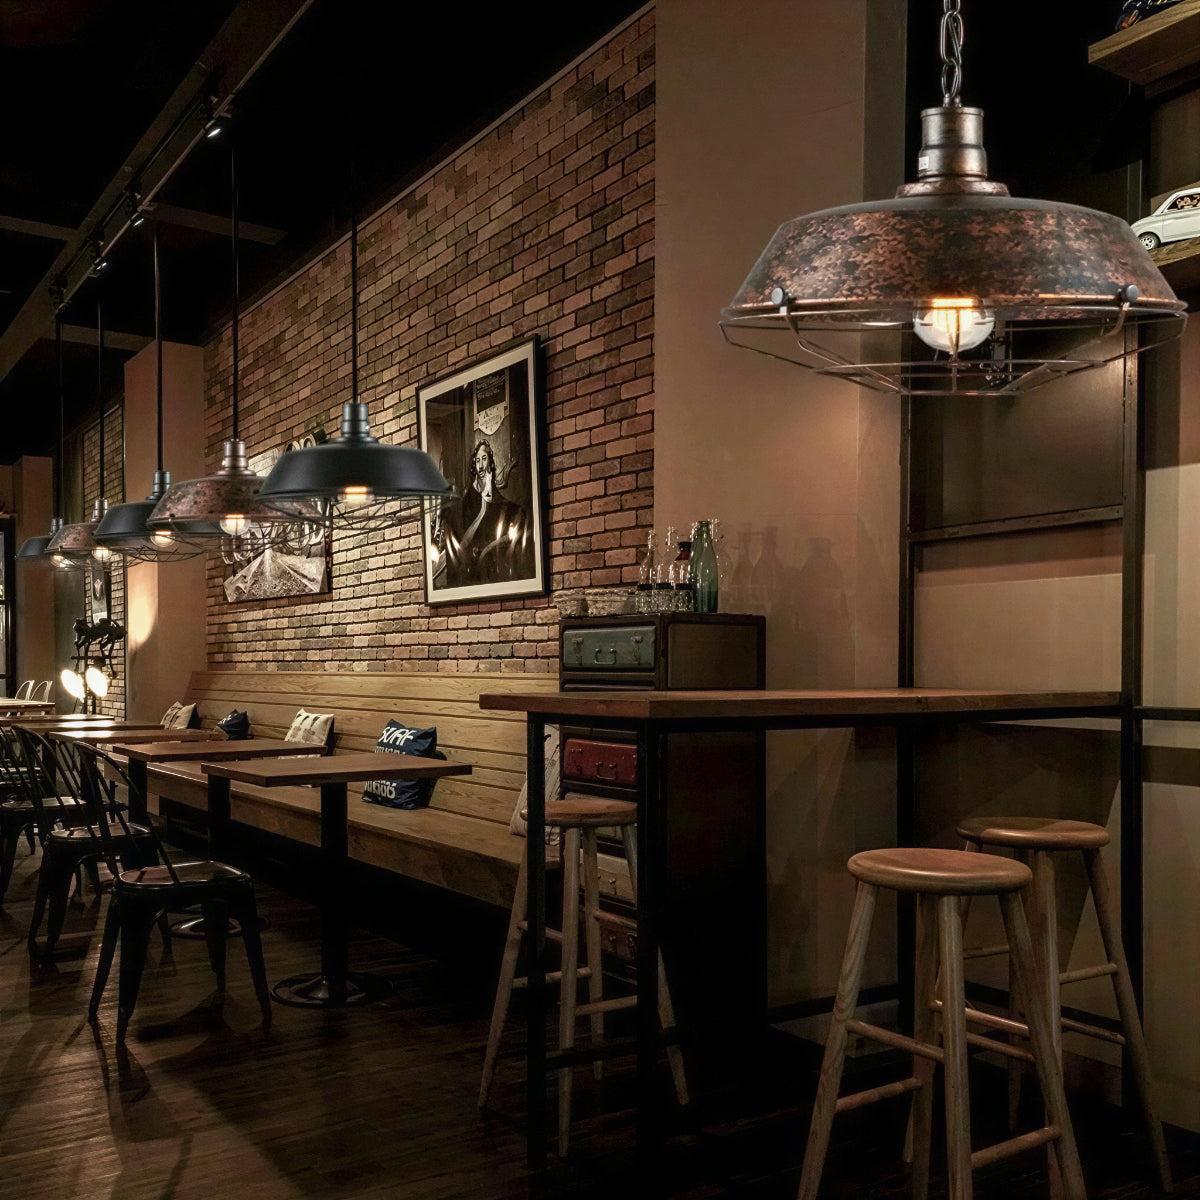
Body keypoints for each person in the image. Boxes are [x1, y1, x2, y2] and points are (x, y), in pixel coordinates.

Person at [443, 439, 534, 587]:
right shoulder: (467, 502)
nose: (480, 465)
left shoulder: (506, 506)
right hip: (471, 572)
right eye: (477, 460)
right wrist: (483, 501)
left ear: (490, 462)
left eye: (484, 459)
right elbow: (462, 543)